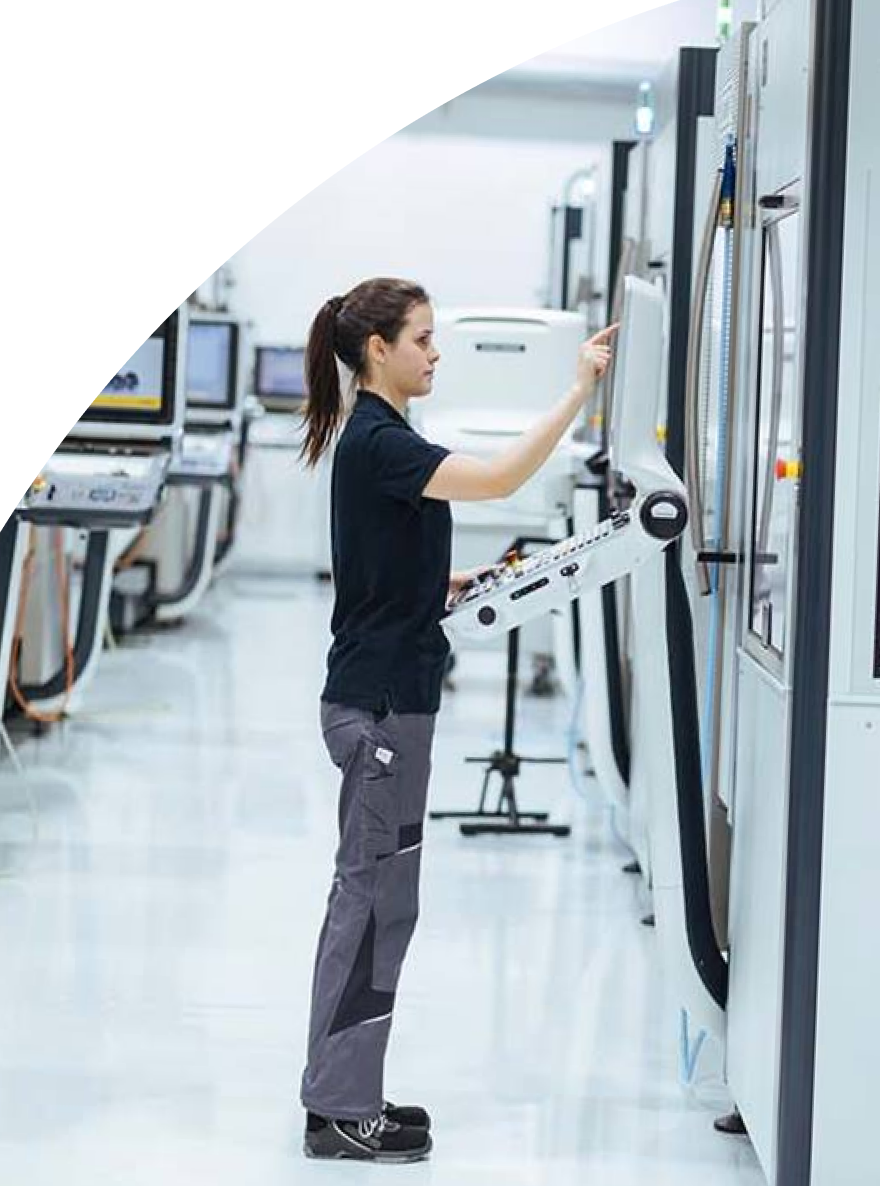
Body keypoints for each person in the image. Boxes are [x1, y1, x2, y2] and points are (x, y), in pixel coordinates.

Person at [297, 276, 615, 1163]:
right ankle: (335, 1109)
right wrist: (579, 388)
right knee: (369, 906)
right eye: (424, 339)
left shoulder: (383, 440)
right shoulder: (381, 441)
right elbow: (506, 476)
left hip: (392, 695)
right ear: (377, 351)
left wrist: (452, 586)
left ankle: (347, 1092)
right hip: (383, 708)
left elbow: (374, 571)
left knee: (380, 904)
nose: (435, 353)